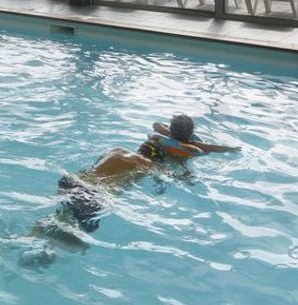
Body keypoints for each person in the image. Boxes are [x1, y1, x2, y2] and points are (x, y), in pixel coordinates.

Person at [21, 114, 239, 267]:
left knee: (62, 215)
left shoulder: (116, 150)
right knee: (76, 242)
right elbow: (182, 178)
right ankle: (42, 258)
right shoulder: (150, 165)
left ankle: (30, 234)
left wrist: (167, 138)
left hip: (72, 180)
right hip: (95, 196)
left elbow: (158, 129)